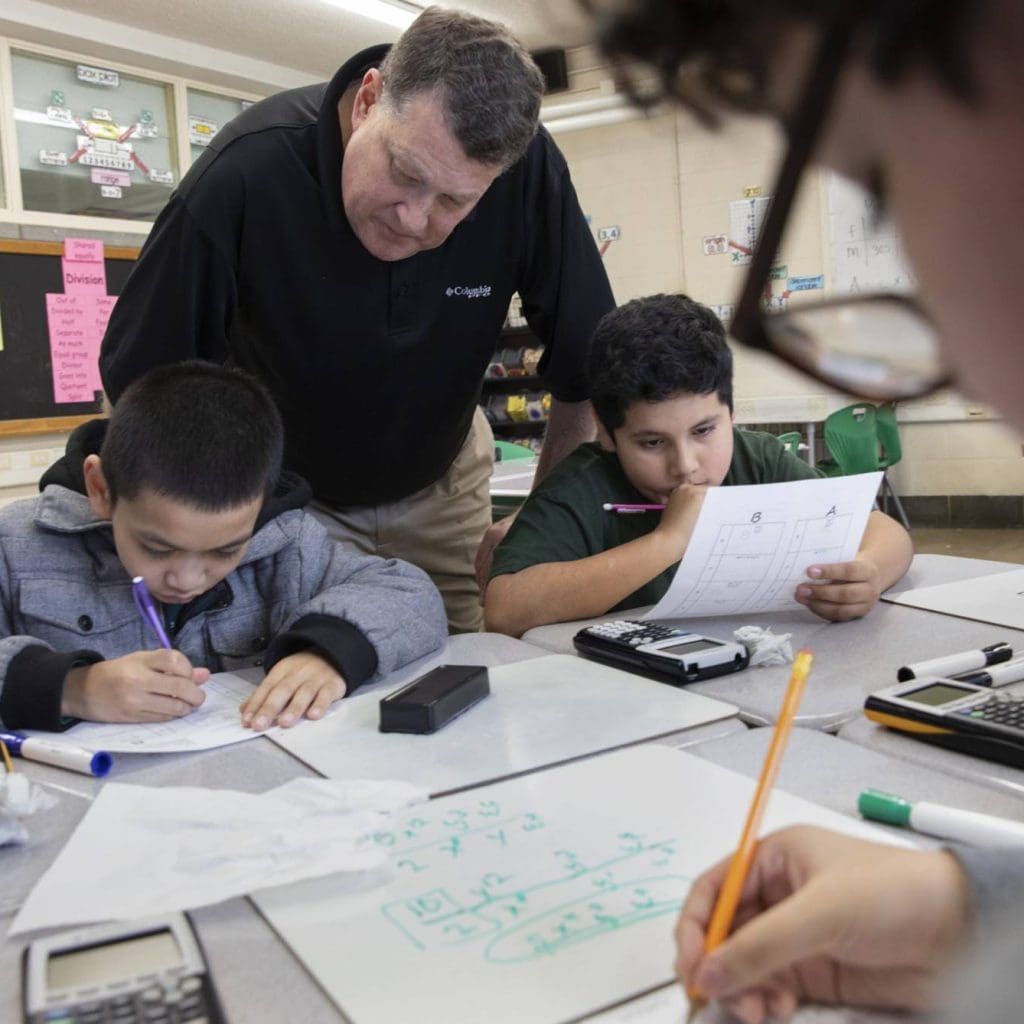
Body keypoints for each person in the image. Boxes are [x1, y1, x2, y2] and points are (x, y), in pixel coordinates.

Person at [585, 0, 1024, 1021]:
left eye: (879, 181)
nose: (984, 380)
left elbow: (883, 532)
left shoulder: (769, 459)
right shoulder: (589, 493)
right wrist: (968, 917)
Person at [99, 7, 615, 634]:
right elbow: (146, 385)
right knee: (295, 674)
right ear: (369, 100)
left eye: (455, 201)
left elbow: (588, 368)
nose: (413, 217)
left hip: (443, 484)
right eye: (405, 173)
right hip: (289, 501)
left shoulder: (529, 170)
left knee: (466, 665)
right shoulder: (244, 175)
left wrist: (546, 518)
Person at [0, 361, 446, 734]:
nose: (187, 579)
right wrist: (74, 688)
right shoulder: (16, 545)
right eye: (157, 547)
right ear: (101, 488)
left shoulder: (286, 544)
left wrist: (330, 651)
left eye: (223, 551)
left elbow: (409, 594)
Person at [484, 293, 911, 637]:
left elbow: (887, 533)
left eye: (704, 431)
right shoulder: (581, 486)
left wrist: (869, 572)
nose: (685, 466)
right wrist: (670, 540)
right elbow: (506, 609)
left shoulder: (756, 460)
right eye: (652, 442)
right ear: (608, 433)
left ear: (731, 413)